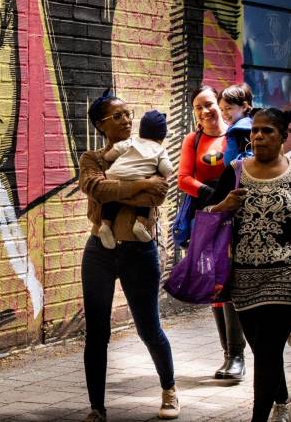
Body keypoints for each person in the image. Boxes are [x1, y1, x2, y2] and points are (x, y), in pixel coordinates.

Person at [206, 108, 291, 422]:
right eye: (255, 131)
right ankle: (283, 399)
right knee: (263, 350)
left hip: (286, 275)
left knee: (267, 352)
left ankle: (259, 418)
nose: (259, 136)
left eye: (267, 131)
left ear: (283, 138)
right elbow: (207, 214)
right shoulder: (235, 170)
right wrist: (223, 206)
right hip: (244, 278)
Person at [79, 91, 179, 421]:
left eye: (128, 114)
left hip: (140, 251)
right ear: (100, 125)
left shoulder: (147, 149)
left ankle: (169, 389)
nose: (126, 120)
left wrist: (120, 184)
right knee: (97, 333)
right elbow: (96, 188)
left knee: (148, 328)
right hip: (99, 253)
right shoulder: (91, 159)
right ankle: (97, 408)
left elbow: (160, 191)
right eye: (117, 116)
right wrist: (139, 184)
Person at [177, 85, 247, 380]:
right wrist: (211, 194)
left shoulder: (238, 134)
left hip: (236, 219)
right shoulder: (193, 140)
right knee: (215, 286)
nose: (205, 111)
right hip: (206, 218)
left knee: (230, 282)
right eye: (198, 108)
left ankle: (237, 356)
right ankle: (228, 356)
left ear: (219, 105)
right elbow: (183, 179)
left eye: (209, 104)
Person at [98, 110, 174, 248]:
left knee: (112, 199)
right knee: (145, 195)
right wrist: (163, 173)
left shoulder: (131, 141)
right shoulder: (160, 149)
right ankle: (140, 223)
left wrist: (107, 157)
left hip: (115, 174)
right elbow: (167, 169)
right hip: (139, 177)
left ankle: (105, 224)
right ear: (161, 137)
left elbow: (112, 153)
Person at [218, 83, 253, 164]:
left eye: (228, 108)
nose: (224, 113)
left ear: (244, 107)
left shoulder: (243, 130)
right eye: (221, 109)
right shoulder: (237, 127)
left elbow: (249, 156)